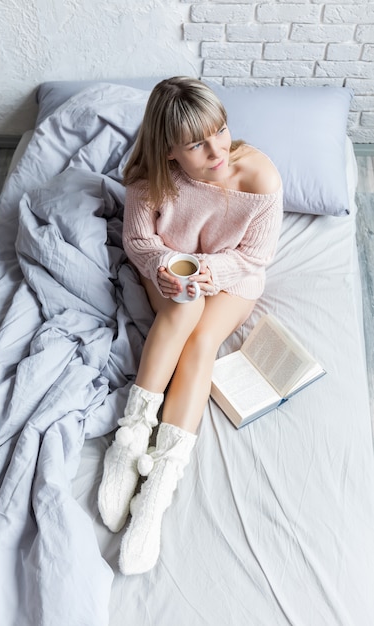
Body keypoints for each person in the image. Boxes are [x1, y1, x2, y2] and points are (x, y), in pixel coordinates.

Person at [98, 76, 283, 576]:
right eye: (197, 143)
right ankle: (130, 440)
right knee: (183, 310)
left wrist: (210, 272)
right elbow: (139, 241)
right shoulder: (148, 176)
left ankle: (158, 488)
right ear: (169, 149)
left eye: (220, 130)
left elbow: (255, 257)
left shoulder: (259, 177)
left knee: (201, 340)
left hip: (232, 275)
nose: (217, 149)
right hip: (170, 266)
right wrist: (169, 266)